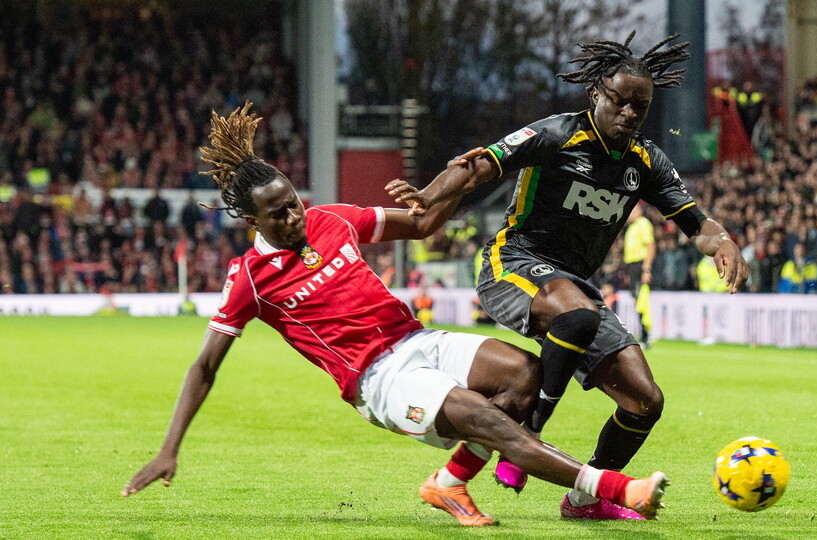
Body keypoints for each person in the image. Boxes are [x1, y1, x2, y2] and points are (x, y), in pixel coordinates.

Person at [120, 103, 670, 527]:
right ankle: (618, 490)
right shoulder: (248, 280)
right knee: (489, 420)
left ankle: (449, 483)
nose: (295, 215)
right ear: (249, 218)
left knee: (526, 376)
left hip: (418, 339)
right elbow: (204, 368)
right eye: (279, 212)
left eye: (294, 200)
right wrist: (169, 448)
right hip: (377, 377)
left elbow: (422, 224)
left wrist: (467, 179)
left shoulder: (331, 219)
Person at [393, 32, 747, 520]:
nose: (628, 114)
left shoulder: (644, 162)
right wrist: (429, 195)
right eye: (620, 101)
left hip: (572, 289)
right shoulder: (558, 134)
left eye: (639, 108)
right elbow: (479, 166)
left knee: (645, 400)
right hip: (512, 265)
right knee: (576, 312)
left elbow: (695, 224)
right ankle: (533, 430)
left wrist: (723, 240)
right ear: (596, 93)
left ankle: (585, 500)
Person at [623, 205, 655, 347]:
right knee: (637, 300)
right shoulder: (632, 227)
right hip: (632, 266)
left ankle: (646, 336)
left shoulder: (643, 223)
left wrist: (646, 268)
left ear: (640, 211)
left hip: (640, 265)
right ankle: (643, 335)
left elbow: (650, 246)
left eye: (633, 211)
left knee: (642, 301)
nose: (630, 215)